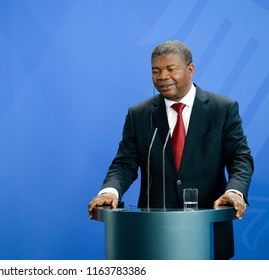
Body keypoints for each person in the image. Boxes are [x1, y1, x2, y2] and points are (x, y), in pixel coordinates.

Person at [87, 40, 254, 260]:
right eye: (155, 71)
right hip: (153, 234)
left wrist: (234, 191)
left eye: (170, 69)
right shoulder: (139, 115)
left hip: (207, 234)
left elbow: (240, 158)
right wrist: (110, 191)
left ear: (190, 70)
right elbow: (124, 163)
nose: (162, 76)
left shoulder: (222, 109)